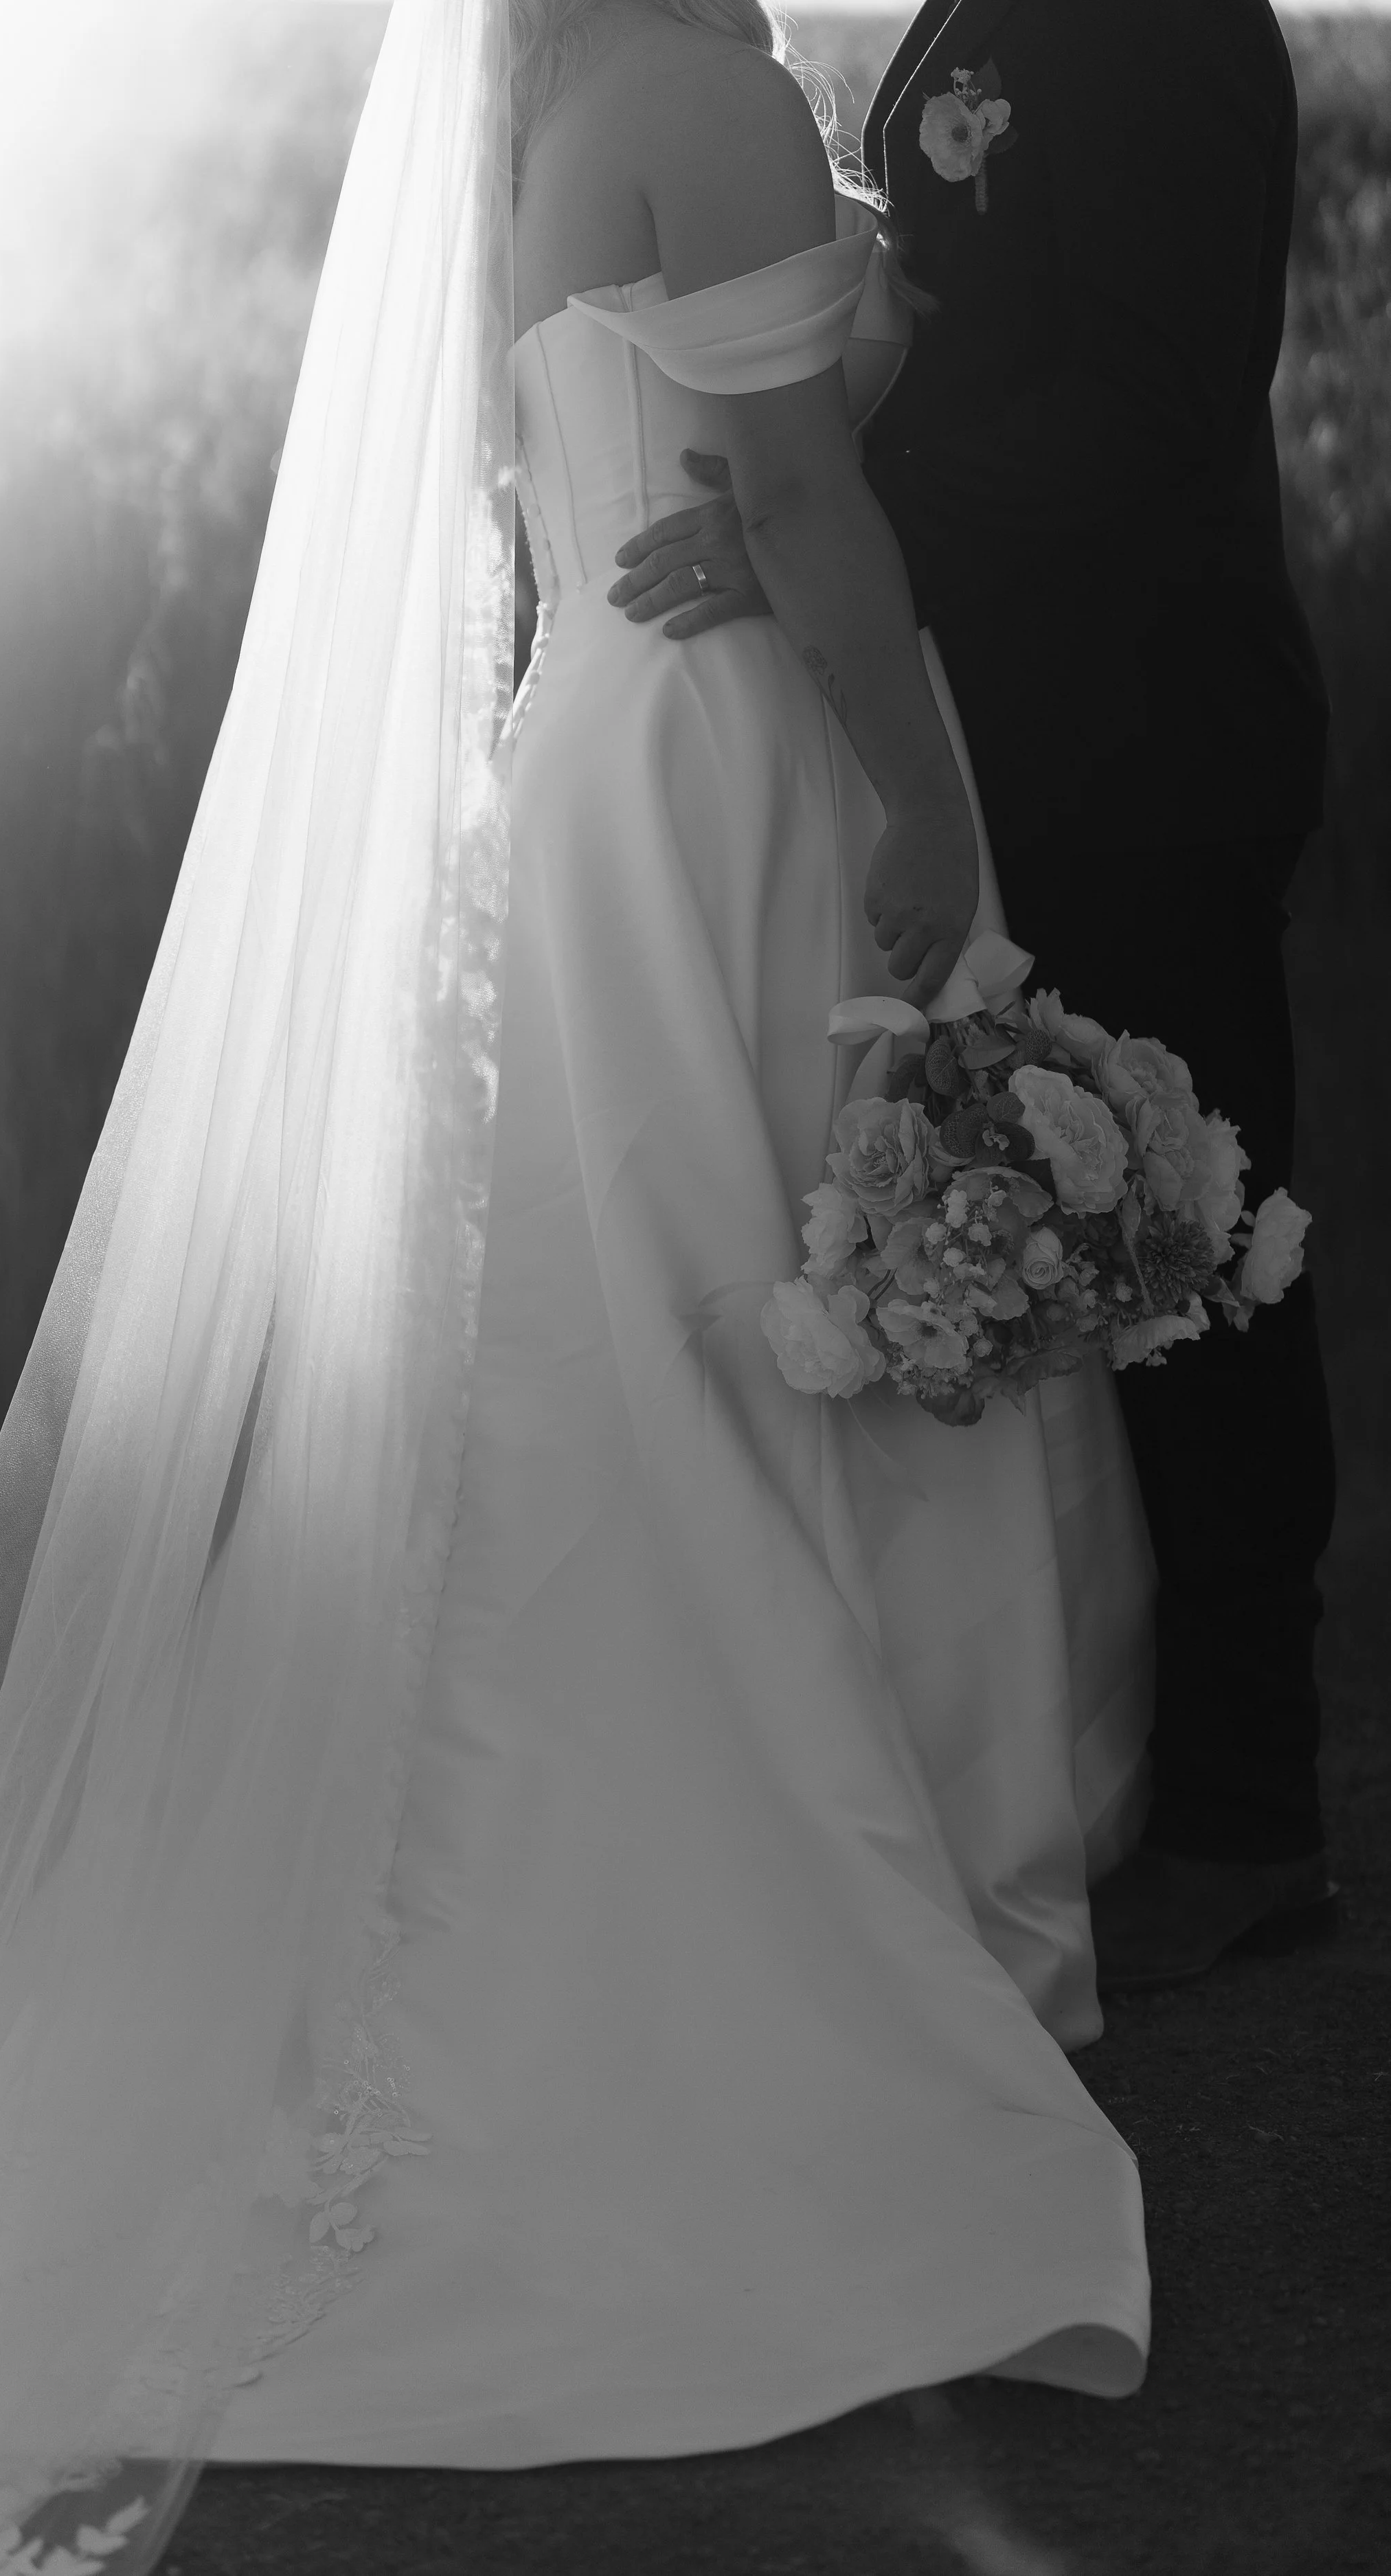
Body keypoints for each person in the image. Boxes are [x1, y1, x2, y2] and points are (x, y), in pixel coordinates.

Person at [0, 7, 1157, 2568]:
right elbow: (790, 485)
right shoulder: (688, 99)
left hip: (609, 740)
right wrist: (914, 785)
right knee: (733, 1319)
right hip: (733, 759)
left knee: (644, 1341)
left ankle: (732, 1834)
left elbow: (644, 448)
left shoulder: (549, 106)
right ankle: (806, 1902)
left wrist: (747, 472)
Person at [610, 0, 1339, 1993]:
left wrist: (825, 526)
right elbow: (980, 288)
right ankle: (1097, 1747)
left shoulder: (1176, 27)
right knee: (1067, 1213)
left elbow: (1144, 400)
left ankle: (1248, 1811)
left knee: (1199, 1237)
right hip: (1004, 716)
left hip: (1145, 722)